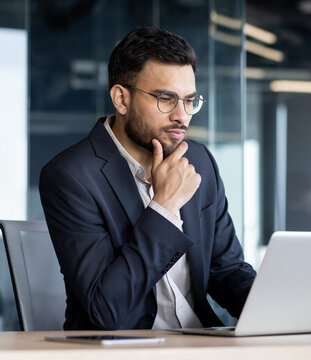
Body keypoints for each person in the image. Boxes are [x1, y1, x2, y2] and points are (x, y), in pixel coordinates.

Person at [39, 26, 256, 330]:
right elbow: (107, 311)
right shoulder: (71, 176)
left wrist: (281, 311)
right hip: (123, 350)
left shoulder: (200, 162)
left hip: (199, 345)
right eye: (166, 99)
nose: (181, 115)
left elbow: (226, 271)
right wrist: (164, 208)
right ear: (121, 99)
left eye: (189, 100)